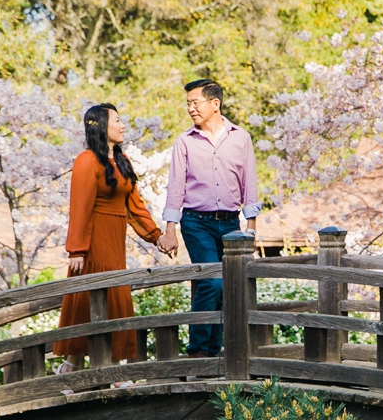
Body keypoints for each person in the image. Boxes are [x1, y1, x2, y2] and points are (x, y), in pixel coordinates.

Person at [155, 79, 260, 357]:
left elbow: (249, 183)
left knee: (228, 286)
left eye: (195, 102)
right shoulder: (184, 142)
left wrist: (251, 227)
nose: (190, 108)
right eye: (188, 103)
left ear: (215, 104)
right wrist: (170, 230)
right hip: (195, 222)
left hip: (230, 224)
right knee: (212, 281)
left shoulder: (241, 138)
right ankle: (198, 350)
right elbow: (175, 186)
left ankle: (215, 351)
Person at [53, 104, 164, 365]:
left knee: (114, 297)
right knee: (88, 300)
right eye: (117, 120)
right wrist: (77, 250)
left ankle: (87, 367)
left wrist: (156, 236)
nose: (123, 125)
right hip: (93, 243)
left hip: (115, 242)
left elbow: (135, 207)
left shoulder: (123, 162)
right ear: (102, 126)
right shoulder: (87, 160)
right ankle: (80, 365)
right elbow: (80, 206)